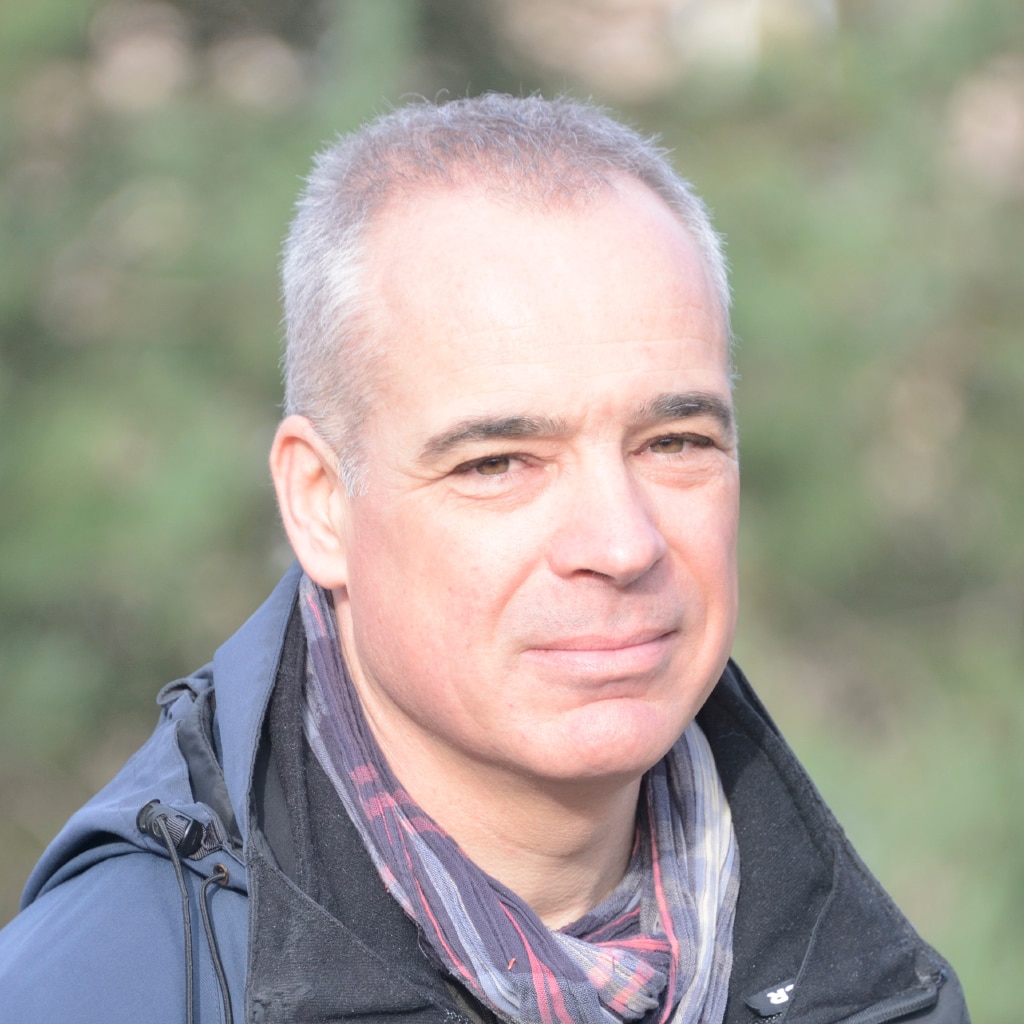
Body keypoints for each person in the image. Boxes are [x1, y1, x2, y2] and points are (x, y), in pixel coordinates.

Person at [0, 94, 968, 1024]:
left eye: (674, 442)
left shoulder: (872, 983)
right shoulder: (107, 993)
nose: (621, 543)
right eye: (498, 462)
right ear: (321, 503)